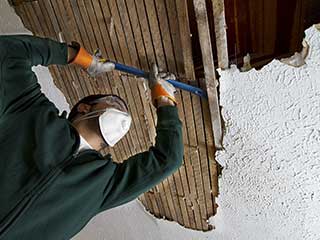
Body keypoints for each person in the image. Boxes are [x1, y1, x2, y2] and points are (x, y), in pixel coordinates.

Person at [0, 35, 183, 240]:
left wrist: (166, 102)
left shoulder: (104, 185)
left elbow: (169, 159)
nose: (122, 114)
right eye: (114, 102)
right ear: (84, 108)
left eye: (125, 113)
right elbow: (8, 52)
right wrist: (78, 57)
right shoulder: (32, 111)